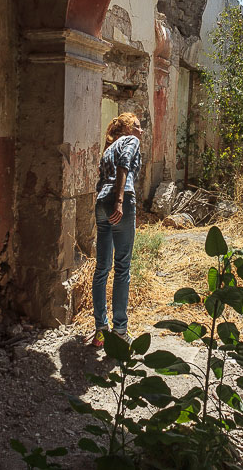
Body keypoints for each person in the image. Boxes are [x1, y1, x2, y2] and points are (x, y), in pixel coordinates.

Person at [89, 112, 143, 348]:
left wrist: (109, 200)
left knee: (102, 268)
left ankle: (100, 330)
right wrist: (120, 200)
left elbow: (101, 181)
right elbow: (124, 165)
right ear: (128, 128)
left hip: (101, 202)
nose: (141, 131)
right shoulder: (131, 140)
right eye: (138, 126)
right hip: (120, 200)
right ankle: (120, 331)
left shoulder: (108, 148)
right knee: (122, 268)